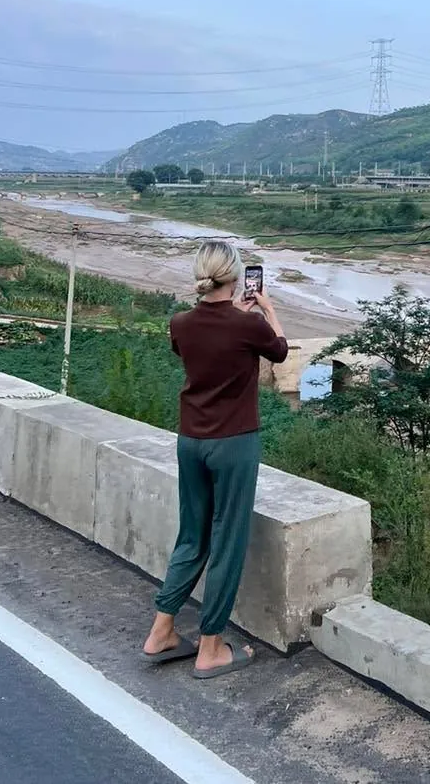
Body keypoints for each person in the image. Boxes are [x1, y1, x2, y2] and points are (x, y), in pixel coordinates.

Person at [142, 239, 288, 678]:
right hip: (234, 443)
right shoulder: (249, 326)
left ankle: (161, 631)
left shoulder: (180, 322)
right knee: (227, 540)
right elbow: (279, 351)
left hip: (191, 440)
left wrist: (239, 317)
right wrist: (268, 310)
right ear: (238, 276)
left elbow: (205, 343)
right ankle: (210, 648)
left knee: (192, 536)